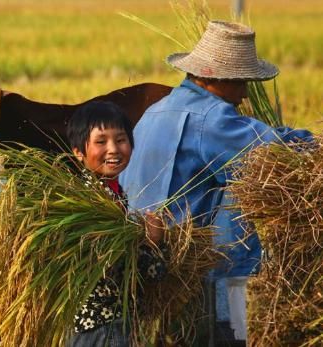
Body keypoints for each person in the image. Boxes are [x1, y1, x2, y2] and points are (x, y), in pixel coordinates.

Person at [120, 21, 312, 345]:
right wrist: (312, 143)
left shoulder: (155, 110)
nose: (245, 93)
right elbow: (273, 155)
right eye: (241, 82)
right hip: (189, 282)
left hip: (143, 271)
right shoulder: (212, 118)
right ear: (216, 78)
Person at [65, 101, 166, 347]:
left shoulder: (111, 193)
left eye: (121, 140)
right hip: (102, 327)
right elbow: (125, 270)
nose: (113, 149)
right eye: (101, 142)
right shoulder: (96, 203)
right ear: (78, 151)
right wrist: (153, 244)